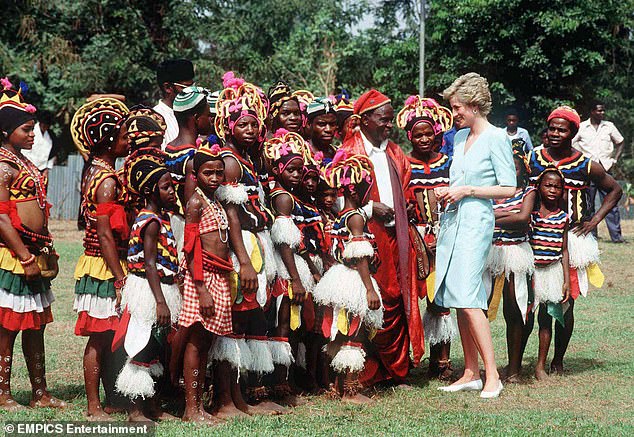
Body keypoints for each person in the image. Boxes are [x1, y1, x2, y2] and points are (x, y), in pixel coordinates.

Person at [434, 73, 516, 399]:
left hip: (477, 223)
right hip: (453, 222)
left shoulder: (497, 138)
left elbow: (508, 187)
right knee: (457, 296)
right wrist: (449, 190)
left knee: (469, 298)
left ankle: (492, 375)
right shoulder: (458, 138)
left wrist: (467, 190)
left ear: (473, 105)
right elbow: (459, 179)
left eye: (456, 107)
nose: (453, 114)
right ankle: (470, 371)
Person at [529, 106, 622, 374]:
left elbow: (614, 190)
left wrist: (594, 221)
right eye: (552, 128)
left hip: (571, 238)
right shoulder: (533, 158)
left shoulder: (585, 164)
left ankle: (557, 360)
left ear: (573, 132)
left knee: (565, 301)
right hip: (538, 237)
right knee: (539, 302)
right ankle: (536, 363)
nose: (556, 133)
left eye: (562, 129)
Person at [212, 72, 284, 413]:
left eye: (255, 124)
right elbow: (231, 215)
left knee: (250, 319)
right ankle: (226, 399)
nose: (252, 130)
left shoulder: (249, 160)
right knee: (235, 321)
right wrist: (243, 261)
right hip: (242, 248)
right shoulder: (229, 161)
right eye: (243, 124)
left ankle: (241, 395)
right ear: (228, 127)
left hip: (257, 245)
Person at [340, 89, 415, 387]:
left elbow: (406, 187)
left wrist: (405, 203)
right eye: (383, 120)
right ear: (365, 120)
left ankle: (397, 371)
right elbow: (336, 199)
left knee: (397, 298)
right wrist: (370, 207)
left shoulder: (395, 151)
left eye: (389, 120)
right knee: (372, 297)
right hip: (366, 235)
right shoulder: (349, 153)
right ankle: (368, 373)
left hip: (396, 235)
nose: (389, 125)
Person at [0, 80, 65, 411]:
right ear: (7, 130)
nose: (32, 135)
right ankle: (3, 393)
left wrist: (43, 249)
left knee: (35, 324)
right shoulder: (2, 166)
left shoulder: (21, 161)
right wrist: (24, 255)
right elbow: (0, 218)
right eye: (26, 129)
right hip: (14, 257)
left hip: (32, 254)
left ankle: (40, 392)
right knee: (8, 328)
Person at [70, 97, 129, 418]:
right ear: (107, 141)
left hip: (102, 261)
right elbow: (106, 234)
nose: (128, 140)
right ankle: (94, 405)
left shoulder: (96, 170)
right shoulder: (106, 180)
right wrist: (119, 276)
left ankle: (111, 398)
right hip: (103, 266)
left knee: (109, 336)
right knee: (100, 337)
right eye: (122, 136)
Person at [114, 149, 181, 421]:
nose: (172, 192)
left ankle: (152, 407)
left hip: (158, 288)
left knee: (154, 346)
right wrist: (161, 301)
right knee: (140, 345)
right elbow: (150, 264)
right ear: (151, 190)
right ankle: (135, 411)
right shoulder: (150, 221)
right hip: (148, 290)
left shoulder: (159, 218)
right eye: (166, 188)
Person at [312, 151, 383, 402]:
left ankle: (338, 386)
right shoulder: (355, 218)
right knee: (354, 332)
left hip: (338, 278)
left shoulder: (341, 217)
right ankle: (350, 391)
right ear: (355, 191)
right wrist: (369, 289)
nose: (369, 193)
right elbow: (360, 255)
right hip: (353, 279)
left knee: (341, 331)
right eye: (366, 188)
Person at [396, 95, 457, 379]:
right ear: (409, 136)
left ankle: (441, 360)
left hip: (444, 236)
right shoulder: (402, 164)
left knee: (440, 298)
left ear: (437, 134)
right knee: (409, 299)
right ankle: (406, 359)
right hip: (412, 237)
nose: (423, 139)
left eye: (427, 133)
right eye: (417, 134)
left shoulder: (449, 163)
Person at [263, 129, 315, 405]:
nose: (297, 175)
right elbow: (285, 244)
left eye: (300, 170)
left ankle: (287, 381)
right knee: (283, 327)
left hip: (291, 270)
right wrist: (295, 279)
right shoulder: (282, 198)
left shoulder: (287, 194)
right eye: (291, 170)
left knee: (291, 327)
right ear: (279, 169)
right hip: (286, 272)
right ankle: (281, 386)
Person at [485, 140, 537, 382]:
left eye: (514, 164)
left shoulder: (529, 191)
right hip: (489, 252)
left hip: (516, 253)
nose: (510, 168)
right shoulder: (489, 190)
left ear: (523, 167)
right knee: (480, 307)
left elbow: (523, 219)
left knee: (514, 309)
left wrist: (492, 217)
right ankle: (484, 367)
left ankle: (514, 369)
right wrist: (509, 215)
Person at [529, 168, 570, 380]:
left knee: (546, 320)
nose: (552, 190)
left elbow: (564, 250)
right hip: (531, 271)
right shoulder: (531, 215)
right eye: (548, 185)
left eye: (557, 187)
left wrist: (566, 281)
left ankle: (540, 365)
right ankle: (515, 363)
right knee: (525, 318)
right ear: (538, 187)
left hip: (552, 273)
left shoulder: (563, 217)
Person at [572, 101, 626, 243]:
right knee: (588, 204)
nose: (601, 113)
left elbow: (620, 142)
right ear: (591, 112)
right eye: (598, 111)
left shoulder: (609, 126)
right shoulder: (582, 127)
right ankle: (591, 235)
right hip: (588, 170)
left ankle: (616, 236)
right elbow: (571, 143)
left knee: (611, 203)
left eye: (603, 111)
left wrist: (615, 159)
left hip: (606, 169)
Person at [154, 59, 195, 149]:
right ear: (168, 87)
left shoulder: (195, 113)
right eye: (187, 87)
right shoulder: (155, 120)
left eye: (193, 86)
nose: (192, 92)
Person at [21, 110, 60, 183]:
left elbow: (53, 153)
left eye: (47, 126)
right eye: (44, 125)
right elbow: (24, 151)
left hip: (42, 170)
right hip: (28, 168)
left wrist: (47, 169)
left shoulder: (51, 136)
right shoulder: (31, 132)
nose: (45, 127)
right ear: (41, 123)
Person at [306, 97, 338, 162]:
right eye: (322, 124)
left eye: (332, 124)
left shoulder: (338, 153)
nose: (328, 130)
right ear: (309, 124)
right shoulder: (301, 153)